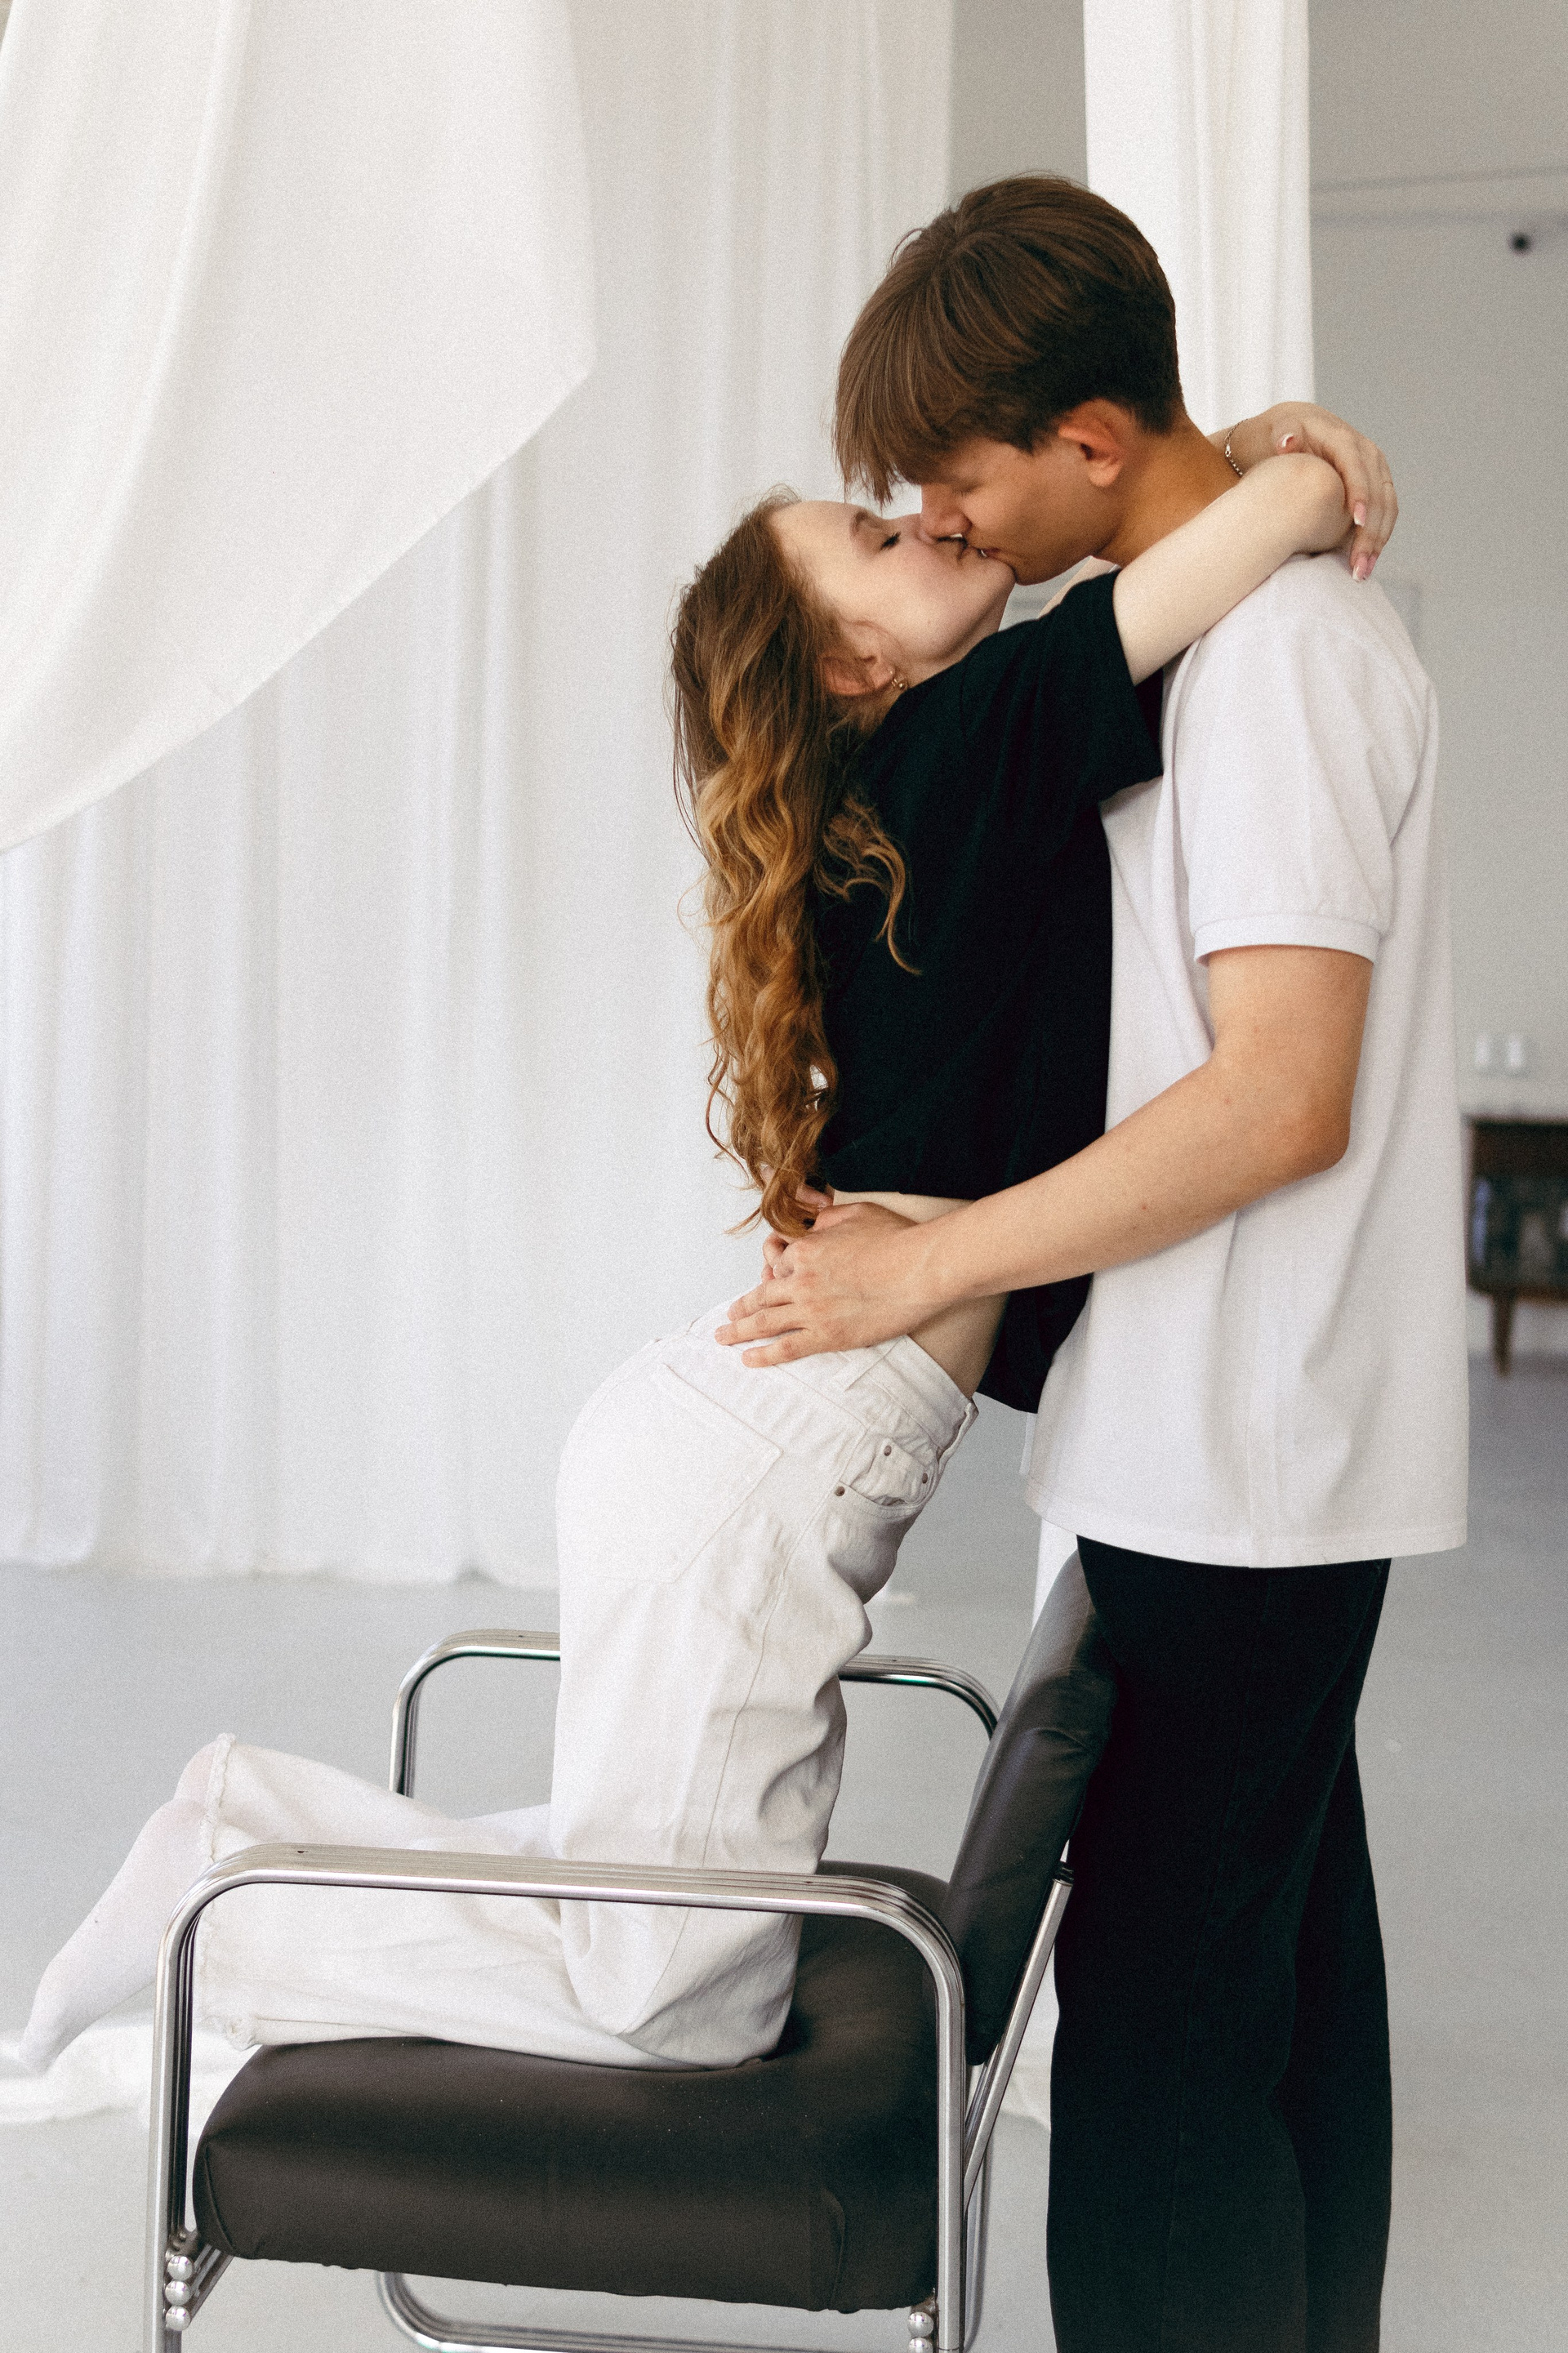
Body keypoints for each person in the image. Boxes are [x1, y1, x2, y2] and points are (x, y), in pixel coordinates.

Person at [19, 422, 1365, 2092]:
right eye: (878, 535)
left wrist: (1242, 452)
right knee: (680, 1999)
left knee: (649, 1918)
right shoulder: (977, 732)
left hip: (735, 1449)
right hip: (762, 1473)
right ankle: (217, 1908)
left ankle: (245, 1834)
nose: (930, 521)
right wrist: (1297, 458)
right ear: (852, 659)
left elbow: (1180, 530)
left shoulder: (915, 793)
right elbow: (1274, 516)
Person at [718, 176, 1466, 2353]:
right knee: (1276, 1998)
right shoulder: (1187, 653)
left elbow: (1279, 1100)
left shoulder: (1282, 664)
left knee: (1159, 2070)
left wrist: (912, 1274)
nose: (940, 516)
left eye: (950, 476)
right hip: (1212, 1431)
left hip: (1246, 1440)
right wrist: (1296, 452)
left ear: (1090, 439)